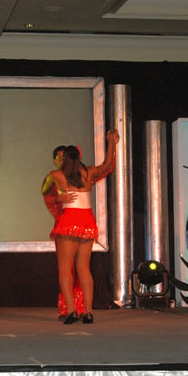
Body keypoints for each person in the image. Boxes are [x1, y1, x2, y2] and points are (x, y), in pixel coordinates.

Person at [41, 130, 119, 324]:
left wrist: (59, 198)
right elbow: (108, 165)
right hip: (86, 221)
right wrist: (111, 143)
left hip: (69, 221)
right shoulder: (89, 172)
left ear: (64, 159)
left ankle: (71, 311)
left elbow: (45, 191)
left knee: (65, 269)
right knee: (84, 268)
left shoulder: (56, 175)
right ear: (79, 157)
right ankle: (89, 312)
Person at [42, 145, 84, 320]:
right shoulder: (53, 177)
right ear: (54, 160)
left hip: (81, 225)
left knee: (82, 268)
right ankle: (66, 308)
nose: (61, 160)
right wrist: (59, 198)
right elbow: (45, 194)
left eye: (64, 157)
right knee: (66, 269)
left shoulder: (77, 174)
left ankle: (81, 307)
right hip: (63, 226)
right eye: (58, 158)